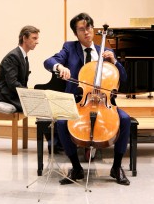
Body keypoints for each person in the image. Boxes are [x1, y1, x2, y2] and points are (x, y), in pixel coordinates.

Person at [44, 12, 131, 186]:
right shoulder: (69, 48)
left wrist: (115, 62)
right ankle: (76, 167)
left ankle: (116, 167)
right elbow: (48, 61)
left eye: (89, 27)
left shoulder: (105, 51)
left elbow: (124, 78)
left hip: (105, 104)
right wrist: (60, 66)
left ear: (93, 28)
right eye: (81, 29)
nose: (86, 32)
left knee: (125, 119)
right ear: (76, 33)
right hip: (78, 102)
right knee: (61, 123)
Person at [0, 25, 39, 111]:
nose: (37, 42)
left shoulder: (23, 56)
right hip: (5, 95)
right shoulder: (13, 56)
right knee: (36, 106)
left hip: (13, 94)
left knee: (39, 104)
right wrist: (28, 94)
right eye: (34, 38)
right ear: (24, 38)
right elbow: (12, 83)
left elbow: (21, 82)